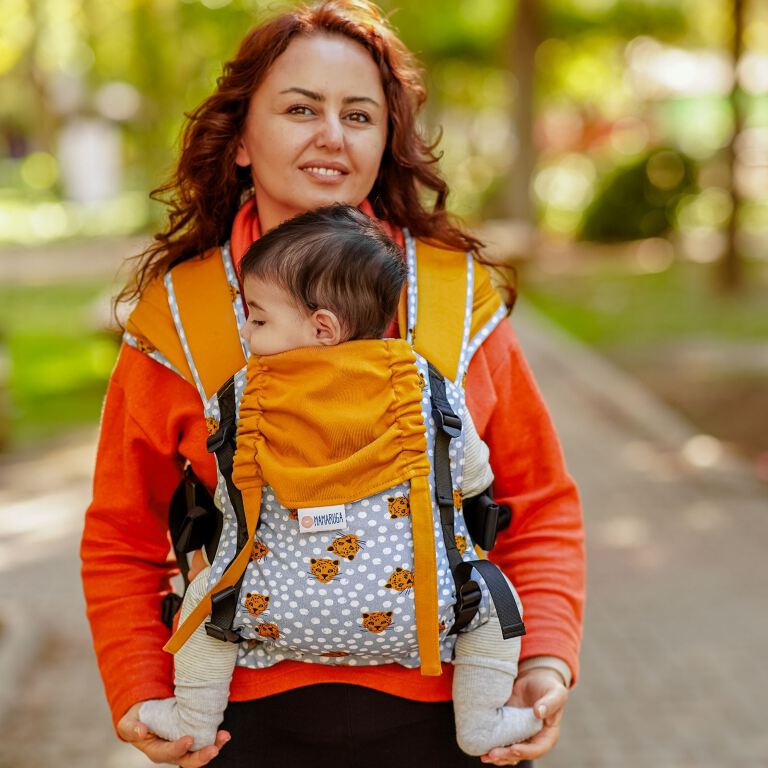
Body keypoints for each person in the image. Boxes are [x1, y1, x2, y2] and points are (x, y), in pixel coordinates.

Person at [81, 3, 585, 767]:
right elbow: (122, 528)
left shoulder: (457, 302)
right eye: (298, 109)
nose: (332, 135)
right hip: (240, 729)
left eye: (359, 114)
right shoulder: (178, 319)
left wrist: (543, 660)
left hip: (451, 723)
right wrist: (141, 689)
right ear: (242, 139)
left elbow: (540, 503)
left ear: (386, 141)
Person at [136, 204, 543, 756]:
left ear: (322, 326)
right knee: (496, 607)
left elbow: (220, 473)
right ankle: (480, 725)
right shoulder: (423, 383)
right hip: (418, 604)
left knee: (204, 611)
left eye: (257, 318)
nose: (247, 330)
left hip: (263, 604)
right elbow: (473, 475)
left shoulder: (241, 395)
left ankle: (194, 720)